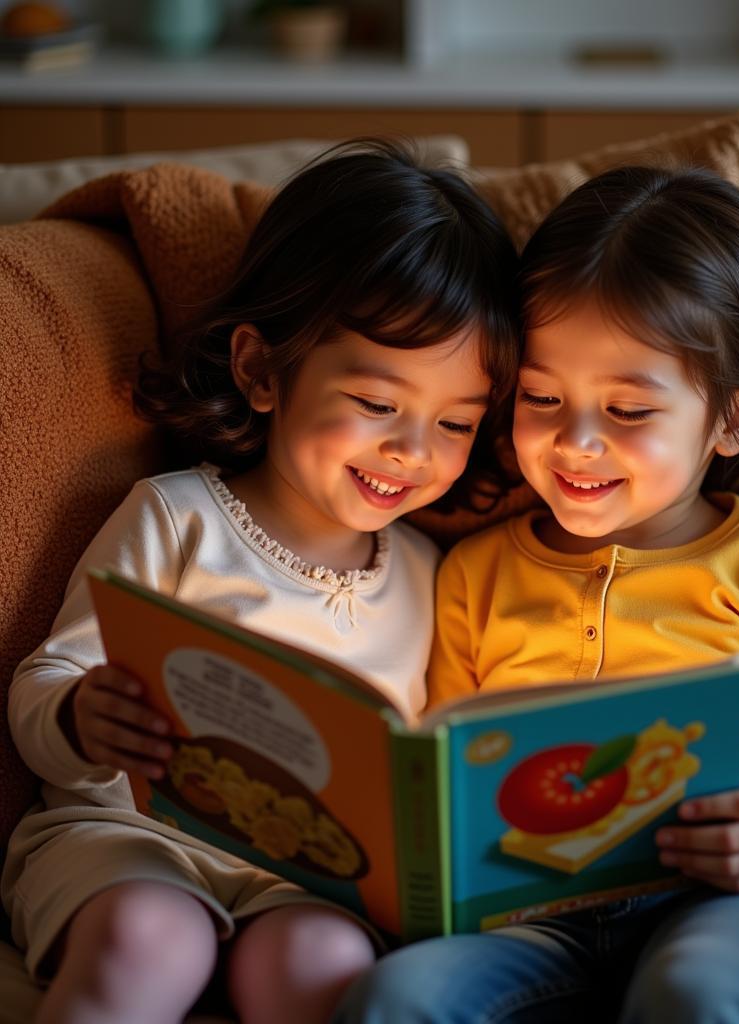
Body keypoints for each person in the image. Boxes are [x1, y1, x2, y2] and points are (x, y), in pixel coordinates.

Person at [335, 165, 739, 1024]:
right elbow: (449, 767)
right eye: (542, 396)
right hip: (532, 916)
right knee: (397, 999)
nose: (574, 442)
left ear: (737, 418)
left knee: (696, 996)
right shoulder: (473, 573)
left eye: (628, 411)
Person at [2, 140, 519, 1024]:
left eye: (456, 422)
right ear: (261, 370)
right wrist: (80, 717)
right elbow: (45, 681)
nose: (412, 451)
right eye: (376, 403)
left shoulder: (433, 573)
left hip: (306, 880)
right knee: (149, 935)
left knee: (326, 962)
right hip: (125, 840)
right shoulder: (176, 519)